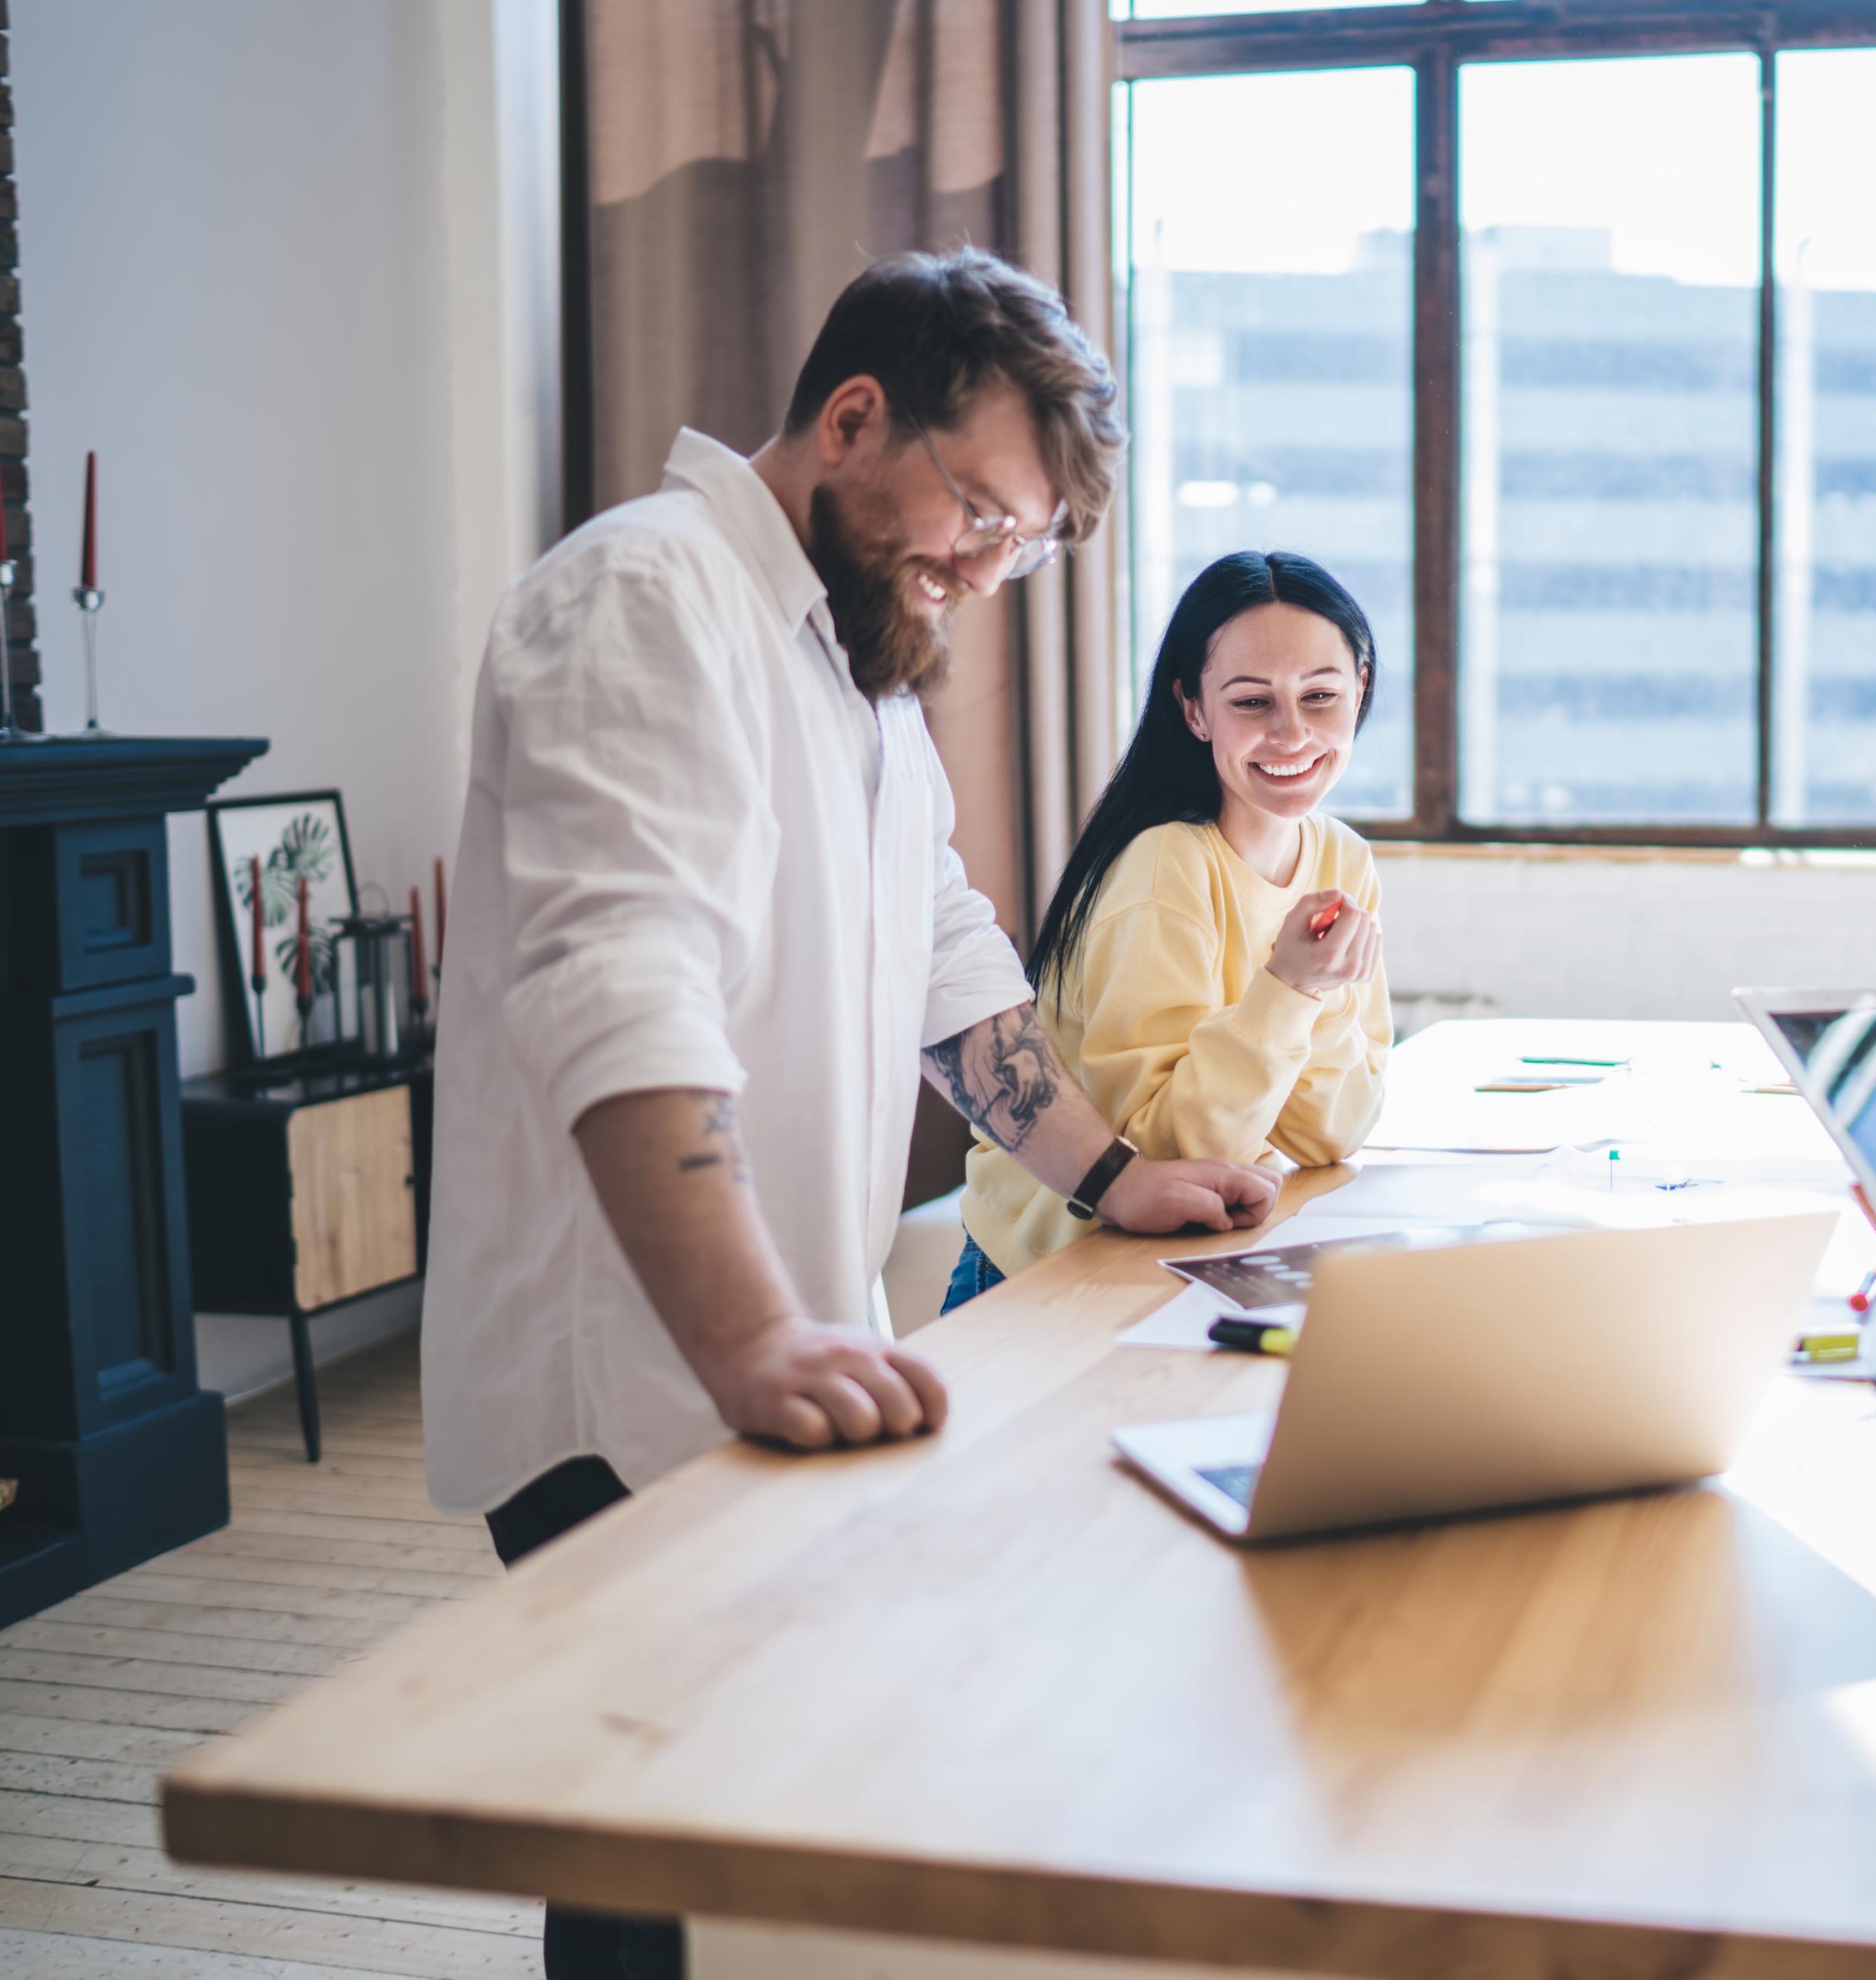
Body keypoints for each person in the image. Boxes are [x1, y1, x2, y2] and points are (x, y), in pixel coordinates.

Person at [421, 249, 1279, 1979]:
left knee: (723, 1824)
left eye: (1017, 545)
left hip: (765, 1341)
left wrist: (1116, 1175)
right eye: (972, 507)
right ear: (853, 416)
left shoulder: (859, 657)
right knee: (649, 1837)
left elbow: (947, 954)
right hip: (634, 1364)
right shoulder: (643, 594)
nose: (979, 565)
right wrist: (750, 1339)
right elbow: (620, 981)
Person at [946, 550, 1389, 1307]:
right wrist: (1288, 989)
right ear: (1194, 709)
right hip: (1055, 1274)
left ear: (1361, 694)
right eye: (1252, 702)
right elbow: (1165, 1158)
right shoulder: (1165, 865)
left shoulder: (1341, 856)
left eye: (1320, 695)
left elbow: (1332, 1135)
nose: (1291, 733)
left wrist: (1313, 994)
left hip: (1176, 1261)